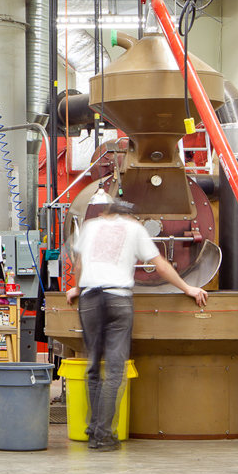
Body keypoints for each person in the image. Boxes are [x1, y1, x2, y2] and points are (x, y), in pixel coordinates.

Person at [65, 191, 209, 451]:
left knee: (93, 368)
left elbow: (79, 264)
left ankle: (92, 431)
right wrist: (187, 288)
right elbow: (161, 266)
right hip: (118, 299)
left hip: (89, 299)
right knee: (115, 371)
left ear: (106, 211)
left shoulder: (90, 226)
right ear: (128, 213)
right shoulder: (134, 229)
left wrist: (77, 288)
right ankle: (104, 436)